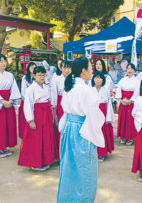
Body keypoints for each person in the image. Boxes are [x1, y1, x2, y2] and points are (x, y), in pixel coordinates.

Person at [57, 57, 105, 203]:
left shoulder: (69, 87)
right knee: (85, 171)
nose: (92, 70)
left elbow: (65, 110)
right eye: (90, 67)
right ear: (84, 71)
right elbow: (94, 115)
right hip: (82, 130)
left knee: (68, 168)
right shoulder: (86, 90)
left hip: (68, 128)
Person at [18, 66, 59, 171]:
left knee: (46, 137)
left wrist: (53, 114)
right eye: (39, 75)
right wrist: (30, 120)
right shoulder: (30, 89)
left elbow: (50, 102)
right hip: (37, 115)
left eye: (43, 75)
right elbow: (28, 105)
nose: (41, 77)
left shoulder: (47, 87)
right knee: (36, 139)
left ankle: (46, 160)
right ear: (34, 76)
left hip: (46, 113)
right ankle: (36, 162)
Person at [91, 71, 115, 162]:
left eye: (100, 77)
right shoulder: (90, 90)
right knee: (93, 132)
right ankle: (93, 152)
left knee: (102, 132)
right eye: (96, 77)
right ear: (93, 79)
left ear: (103, 79)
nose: (98, 79)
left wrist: (108, 117)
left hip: (103, 112)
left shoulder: (105, 90)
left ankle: (101, 153)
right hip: (93, 112)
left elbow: (108, 104)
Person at [116, 63, 140, 146]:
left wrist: (131, 100)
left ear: (134, 70)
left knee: (130, 120)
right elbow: (118, 89)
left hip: (131, 102)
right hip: (123, 101)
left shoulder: (137, 81)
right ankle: (123, 136)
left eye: (131, 68)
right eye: (128, 68)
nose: (129, 70)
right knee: (122, 119)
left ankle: (130, 137)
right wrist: (121, 100)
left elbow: (137, 91)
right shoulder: (122, 80)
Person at [50, 60, 72, 149]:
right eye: (65, 68)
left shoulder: (73, 80)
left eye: (69, 68)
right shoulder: (57, 80)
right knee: (61, 127)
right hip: (60, 106)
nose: (67, 70)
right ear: (61, 68)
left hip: (71, 106)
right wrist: (54, 111)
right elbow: (54, 96)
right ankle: (61, 152)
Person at [18, 62, 36, 138]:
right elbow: (23, 91)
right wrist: (28, 100)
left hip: (35, 102)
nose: (33, 69)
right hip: (26, 101)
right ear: (28, 68)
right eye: (31, 67)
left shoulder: (37, 77)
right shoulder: (25, 78)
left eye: (34, 67)